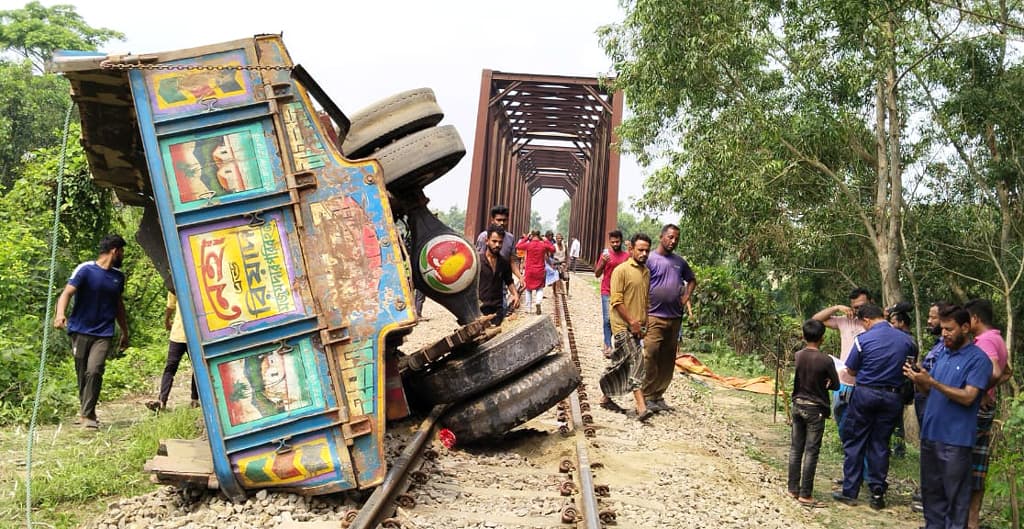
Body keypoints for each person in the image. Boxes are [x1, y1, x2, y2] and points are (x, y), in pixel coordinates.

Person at [904, 305, 993, 529]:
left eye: (949, 329)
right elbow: (931, 390)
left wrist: (932, 383)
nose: (944, 333)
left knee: (955, 500)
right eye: (942, 329)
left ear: (965, 327)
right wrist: (921, 382)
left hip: (956, 441)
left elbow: (968, 397)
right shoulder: (942, 352)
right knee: (931, 495)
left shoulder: (978, 359)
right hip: (931, 435)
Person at [833, 303, 917, 510]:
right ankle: (877, 493)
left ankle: (850, 491)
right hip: (893, 398)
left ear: (867, 320)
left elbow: (851, 370)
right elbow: (911, 369)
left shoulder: (863, 340)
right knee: (880, 444)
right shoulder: (907, 341)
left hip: (865, 394)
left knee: (856, 440)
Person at [53, 235, 130, 430]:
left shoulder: (118, 277)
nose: (122, 255)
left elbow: (118, 305)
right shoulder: (85, 269)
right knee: (82, 374)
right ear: (114, 250)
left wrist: (124, 331)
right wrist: (60, 314)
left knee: (94, 370)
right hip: (79, 330)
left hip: (103, 332)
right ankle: (88, 411)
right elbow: (67, 293)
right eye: (121, 251)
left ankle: (87, 416)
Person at [964, 299, 1012, 529]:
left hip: (976, 409)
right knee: (978, 464)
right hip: (985, 406)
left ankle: (961, 517)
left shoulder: (985, 341)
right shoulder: (997, 338)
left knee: (964, 460)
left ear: (975, 319)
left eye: (967, 319)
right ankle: (971, 521)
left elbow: (993, 370)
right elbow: (1007, 371)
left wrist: (981, 391)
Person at [642, 224, 697, 413]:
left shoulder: (679, 262)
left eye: (676, 239)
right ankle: (646, 395)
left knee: (667, 358)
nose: (673, 241)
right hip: (654, 316)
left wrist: (686, 297)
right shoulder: (649, 259)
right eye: (670, 237)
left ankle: (658, 395)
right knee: (651, 353)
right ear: (661, 237)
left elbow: (692, 279)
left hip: (674, 318)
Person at [598, 233, 653, 421]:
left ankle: (606, 397)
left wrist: (644, 323)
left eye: (647, 250)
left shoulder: (646, 272)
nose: (644, 253)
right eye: (640, 250)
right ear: (631, 250)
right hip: (622, 326)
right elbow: (616, 301)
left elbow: (645, 300)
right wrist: (632, 322)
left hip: (638, 327)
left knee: (621, 363)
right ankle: (641, 406)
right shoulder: (620, 271)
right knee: (636, 360)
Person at [787, 319, 839, 507]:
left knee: (795, 448)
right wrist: (827, 383)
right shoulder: (826, 360)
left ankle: (793, 488)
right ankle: (806, 493)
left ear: (804, 336)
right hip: (815, 408)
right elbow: (836, 384)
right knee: (811, 451)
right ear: (822, 338)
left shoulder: (799, 355)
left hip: (798, 404)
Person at [812, 287, 872, 435]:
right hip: (843, 383)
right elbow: (816, 320)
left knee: (863, 424)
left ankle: (858, 453)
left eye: (862, 305)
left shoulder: (877, 324)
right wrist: (837, 307)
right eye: (855, 307)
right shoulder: (845, 321)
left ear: (871, 302)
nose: (859, 310)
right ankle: (849, 451)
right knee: (841, 421)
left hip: (866, 384)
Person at [147, 291, 200, 411]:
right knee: (197, 367)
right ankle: (194, 400)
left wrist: (166, 321)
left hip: (179, 333)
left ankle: (162, 400)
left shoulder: (175, 285)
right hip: (193, 334)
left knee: (170, 368)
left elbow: (170, 306)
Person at [594, 230, 630, 358]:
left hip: (621, 293)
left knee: (621, 320)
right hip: (607, 290)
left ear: (621, 241)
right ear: (609, 242)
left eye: (617, 241)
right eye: (612, 242)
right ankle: (607, 345)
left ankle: (620, 345)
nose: (615, 244)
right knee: (607, 319)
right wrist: (603, 262)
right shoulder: (606, 255)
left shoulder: (627, 256)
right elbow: (597, 274)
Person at [478, 226, 520, 326]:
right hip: (479, 309)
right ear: (486, 241)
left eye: (500, 242)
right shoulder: (477, 261)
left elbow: (509, 281)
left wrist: (515, 294)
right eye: (494, 241)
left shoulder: (504, 262)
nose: (497, 245)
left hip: (497, 309)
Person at [516, 230, 556, 315]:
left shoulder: (528, 245)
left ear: (532, 235)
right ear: (539, 235)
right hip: (540, 271)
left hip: (529, 271)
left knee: (528, 289)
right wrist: (546, 240)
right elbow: (553, 249)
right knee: (539, 288)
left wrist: (526, 237)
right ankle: (538, 302)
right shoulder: (543, 244)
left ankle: (528, 309)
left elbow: (518, 246)